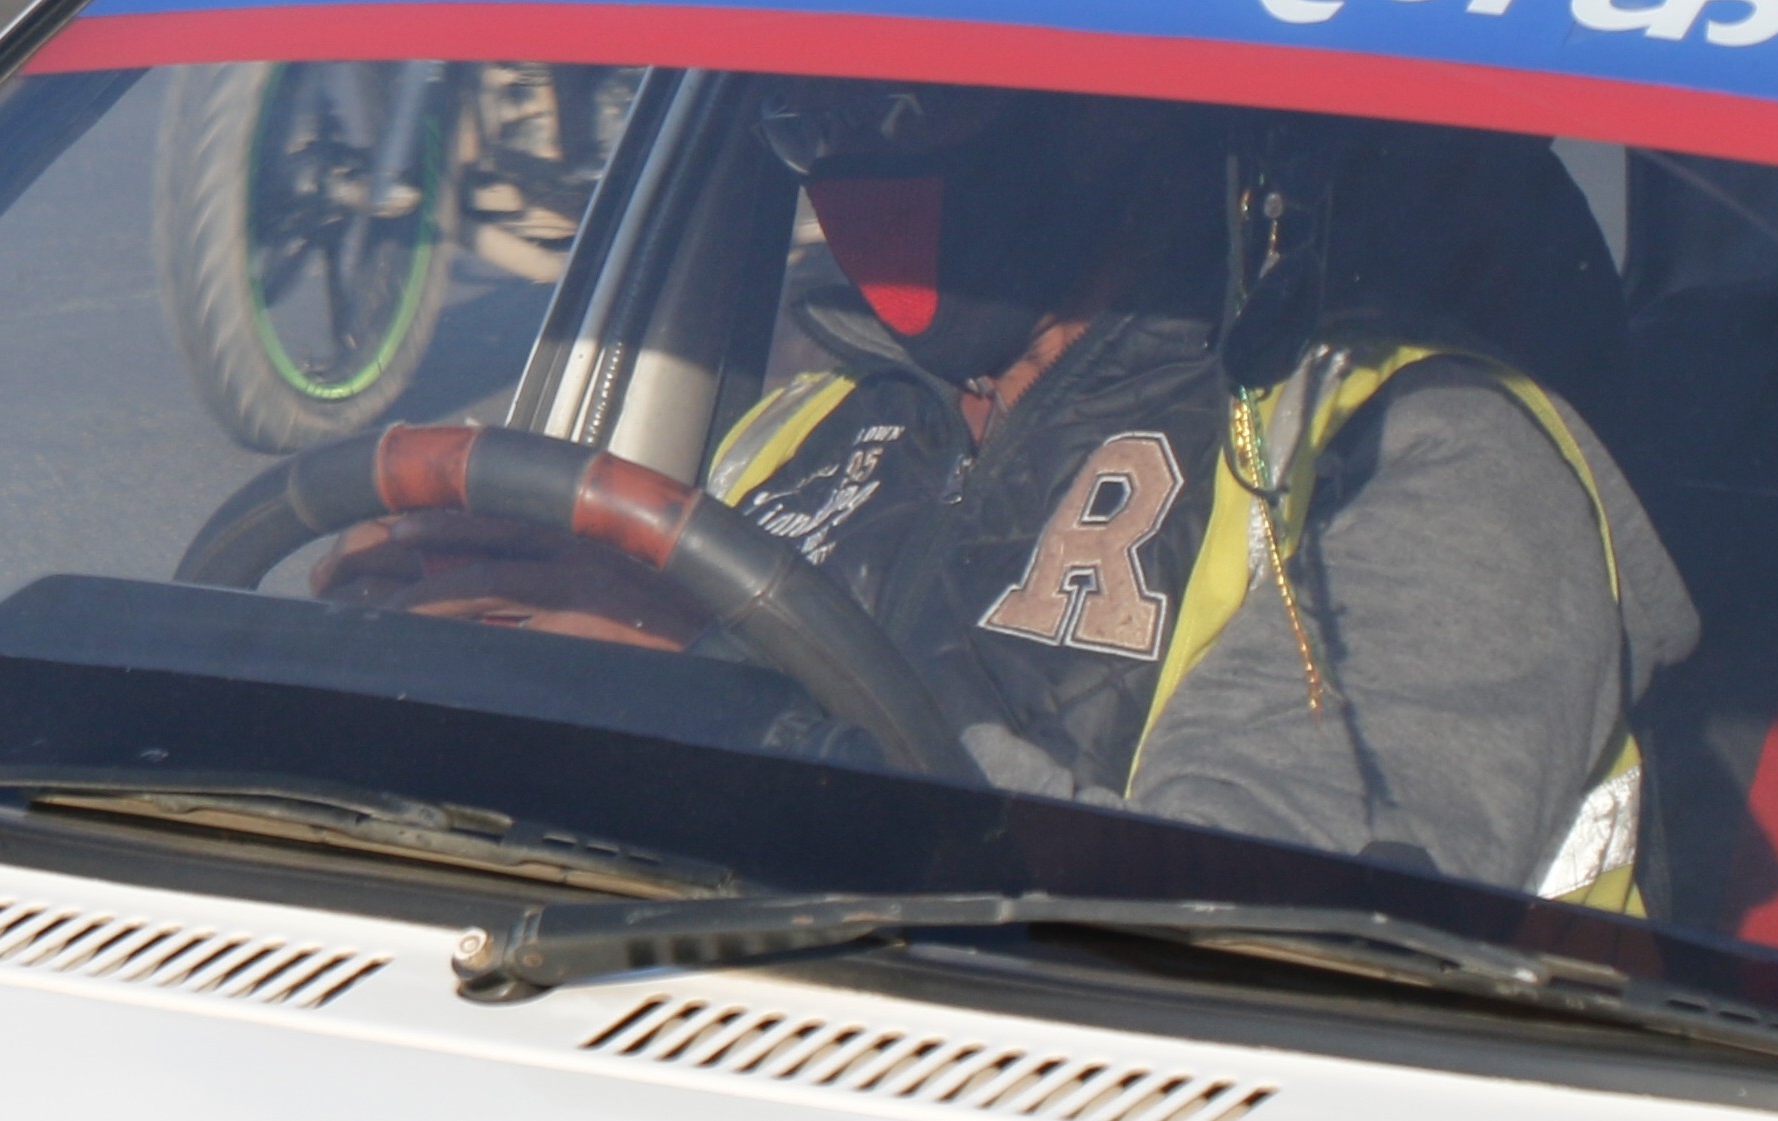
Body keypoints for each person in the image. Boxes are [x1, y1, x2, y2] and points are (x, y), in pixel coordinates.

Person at [325, 86, 1694, 908]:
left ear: (1148, 104)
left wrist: (720, 688)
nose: (854, 134)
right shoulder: (796, 431)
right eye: (807, 102)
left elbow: (1268, 939)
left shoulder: (1415, 451)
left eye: (920, 92)